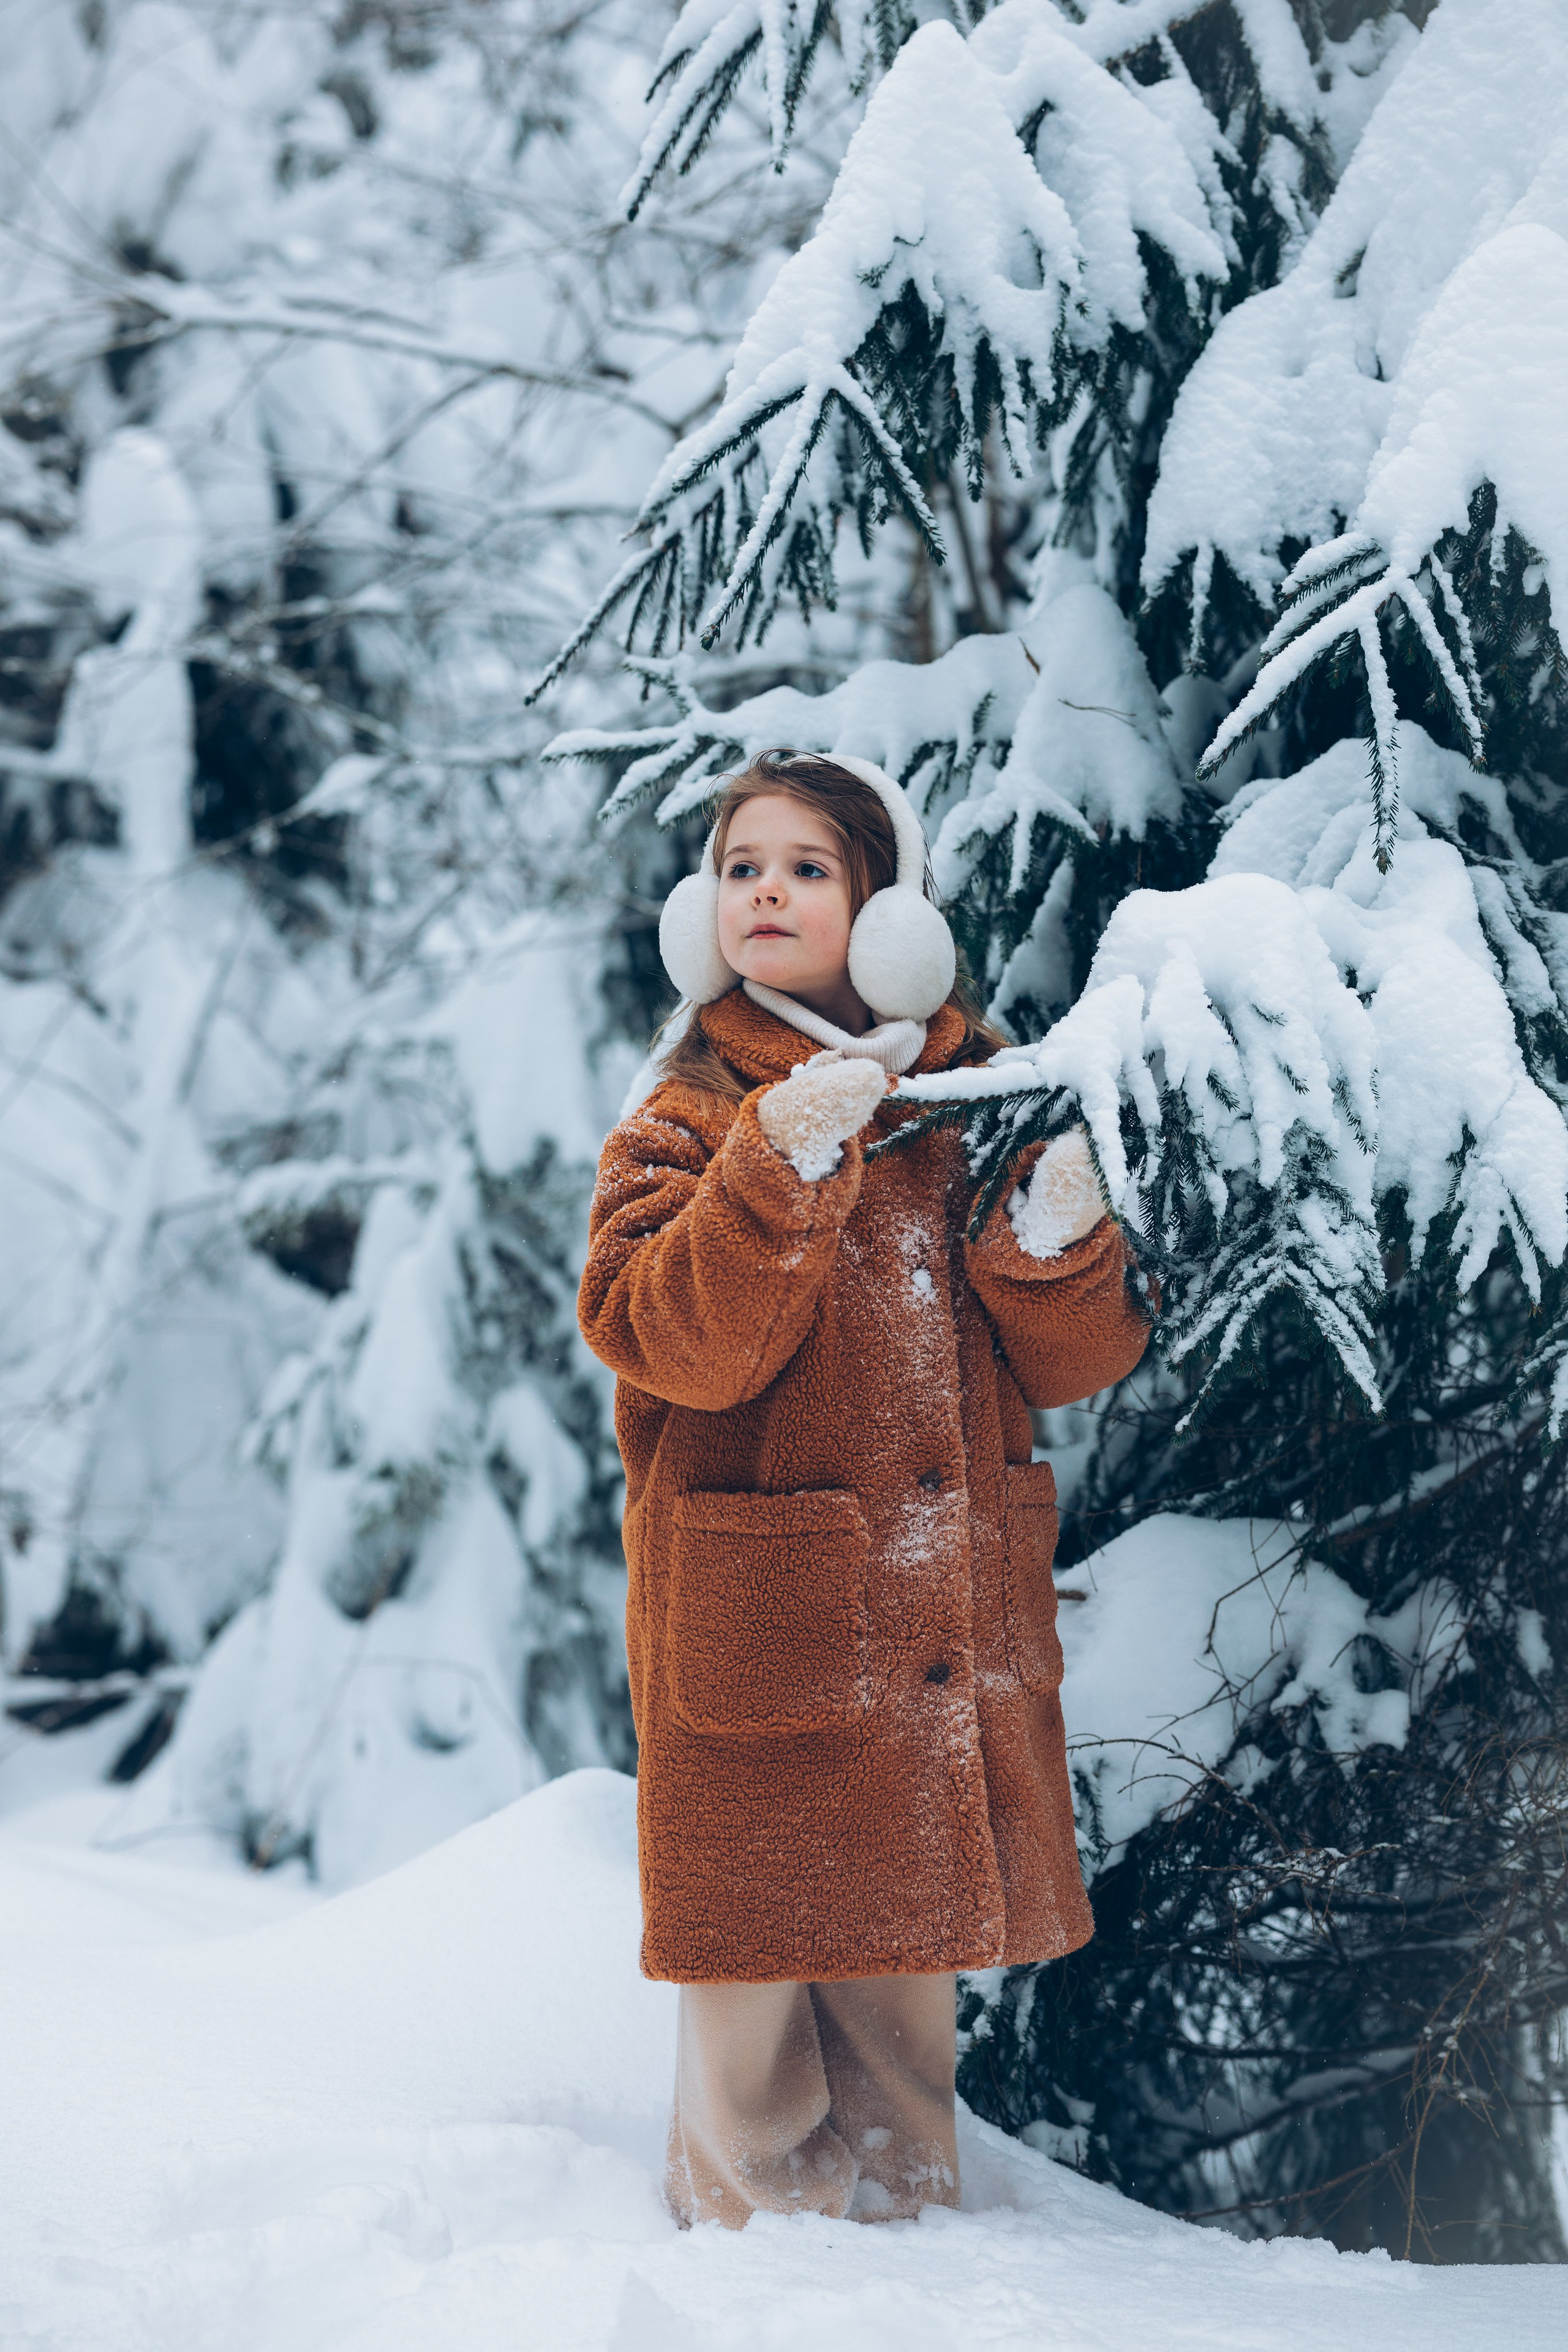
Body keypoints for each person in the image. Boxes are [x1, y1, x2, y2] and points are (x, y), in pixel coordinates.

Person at [578, 749, 1152, 2229]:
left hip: (927, 1621)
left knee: (902, 1964)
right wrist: (775, 1162)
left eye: (807, 867)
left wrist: (1052, 1240)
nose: (765, 889)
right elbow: (668, 1343)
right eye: (740, 867)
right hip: (761, 1615)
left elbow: (1073, 1358)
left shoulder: (966, 1097)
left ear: (886, 910)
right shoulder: (683, 1119)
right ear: (701, 913)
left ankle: (914, 2249)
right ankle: (752, 2261)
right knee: (756, 1961)